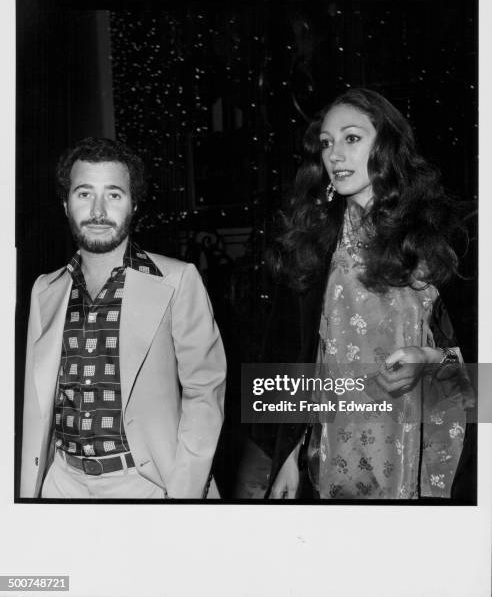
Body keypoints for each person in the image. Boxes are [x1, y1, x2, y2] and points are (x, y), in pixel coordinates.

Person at [266, 88, 473, 500]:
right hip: (331, 453)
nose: (335, 155)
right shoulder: (312, 241)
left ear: (388, 145)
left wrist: (431, 360)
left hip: (427, 449)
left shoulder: (443, 235)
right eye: (326, 143)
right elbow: (298, 360)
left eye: (352, 138)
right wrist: (288, 455)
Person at [20, 137, 226, 499]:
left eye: (114, 194)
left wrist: (184, 490)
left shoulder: (177, 280)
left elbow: (205, 391)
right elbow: (36, 405)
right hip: (61, 482)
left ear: (133, 205)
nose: (98, 209)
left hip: (145, 483)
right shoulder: (44, 290)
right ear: (66, 205)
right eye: (84, 193)